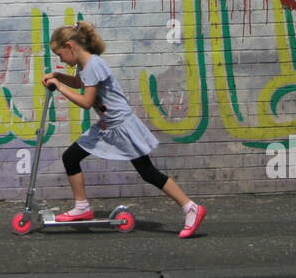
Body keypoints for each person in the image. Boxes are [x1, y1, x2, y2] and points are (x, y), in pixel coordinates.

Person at [42, 21, 206, 237]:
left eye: (59, 54)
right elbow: (79, 82)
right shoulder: (86, 65)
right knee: (71, 157)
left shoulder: (93, 65)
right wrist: (59, 77)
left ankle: (190, 207)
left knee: (147, 172)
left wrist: (59, 86)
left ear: (70, 46)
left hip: (122, 127)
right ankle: (82, 208)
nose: (60, 59)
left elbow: (85, 101)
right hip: (107, 125)